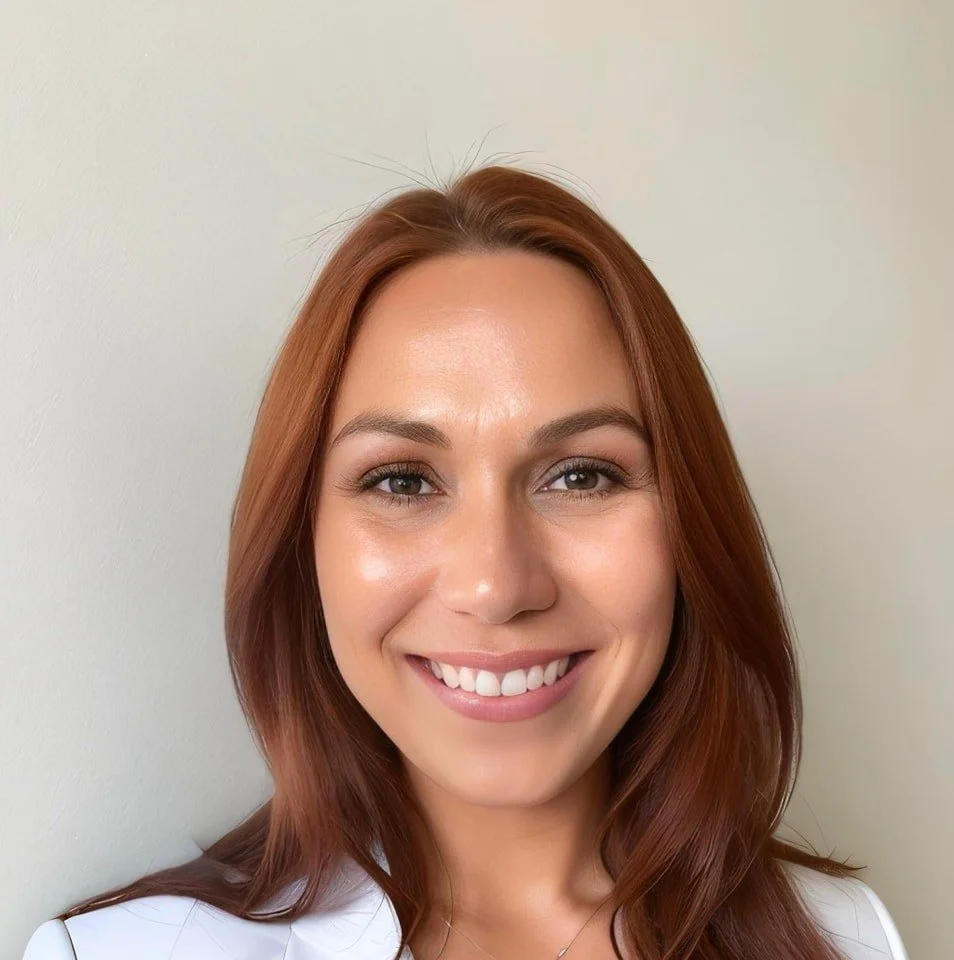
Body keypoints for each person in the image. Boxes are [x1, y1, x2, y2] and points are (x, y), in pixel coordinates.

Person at [23, 165, 909, 959]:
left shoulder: (847, 937)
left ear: (691, 525)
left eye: (582, 474)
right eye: (403, 481)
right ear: (302, 545)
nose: (495, 586)